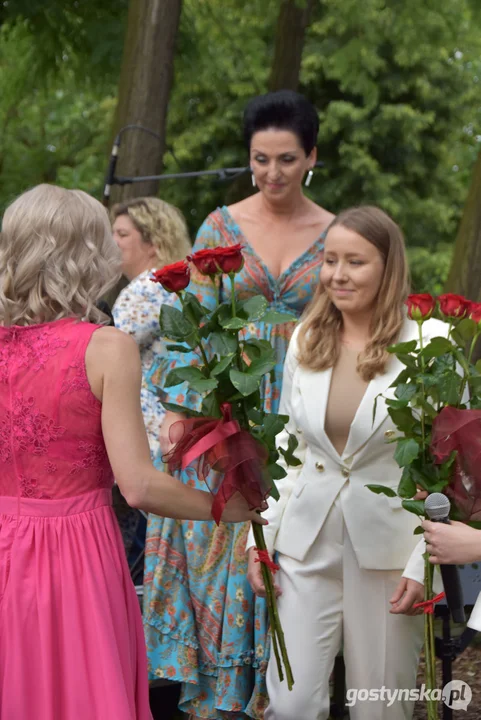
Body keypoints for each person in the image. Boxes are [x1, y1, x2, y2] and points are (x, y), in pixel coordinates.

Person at [0, 184, 265, 720]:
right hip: (76, 554)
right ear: (89, 253)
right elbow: (138, 486)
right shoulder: (104, 347)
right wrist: (229, 510)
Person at [143, 89, 334, 719]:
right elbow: (188, 321)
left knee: (281, 547)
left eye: (285, 159)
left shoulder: (334, 232)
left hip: (301, 402)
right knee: (225, 536)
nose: (272, 174)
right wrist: (181, 413)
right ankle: (217, 698)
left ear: (311, 156)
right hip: (226, 400)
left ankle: (281, 692)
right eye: (259, 160)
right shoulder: (220, 227)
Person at [246, 206, 446, 720]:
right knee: (290, 706)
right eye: (330, 259)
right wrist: (259, 538)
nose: (338, 274)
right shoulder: (307, 337)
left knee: (380, 707)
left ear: (388, 267)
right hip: (303, 547)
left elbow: (444, 472)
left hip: (389, 556)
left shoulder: (430, 341)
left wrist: (423, 564)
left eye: (355, 261)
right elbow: (290, 448)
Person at [111, 198, 191, 584]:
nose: (112, 243)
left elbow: (106, 354)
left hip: (149, 432)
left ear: (154, 242)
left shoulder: (143, 291)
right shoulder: (179, 288)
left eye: (122, 234)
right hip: (175, 423)